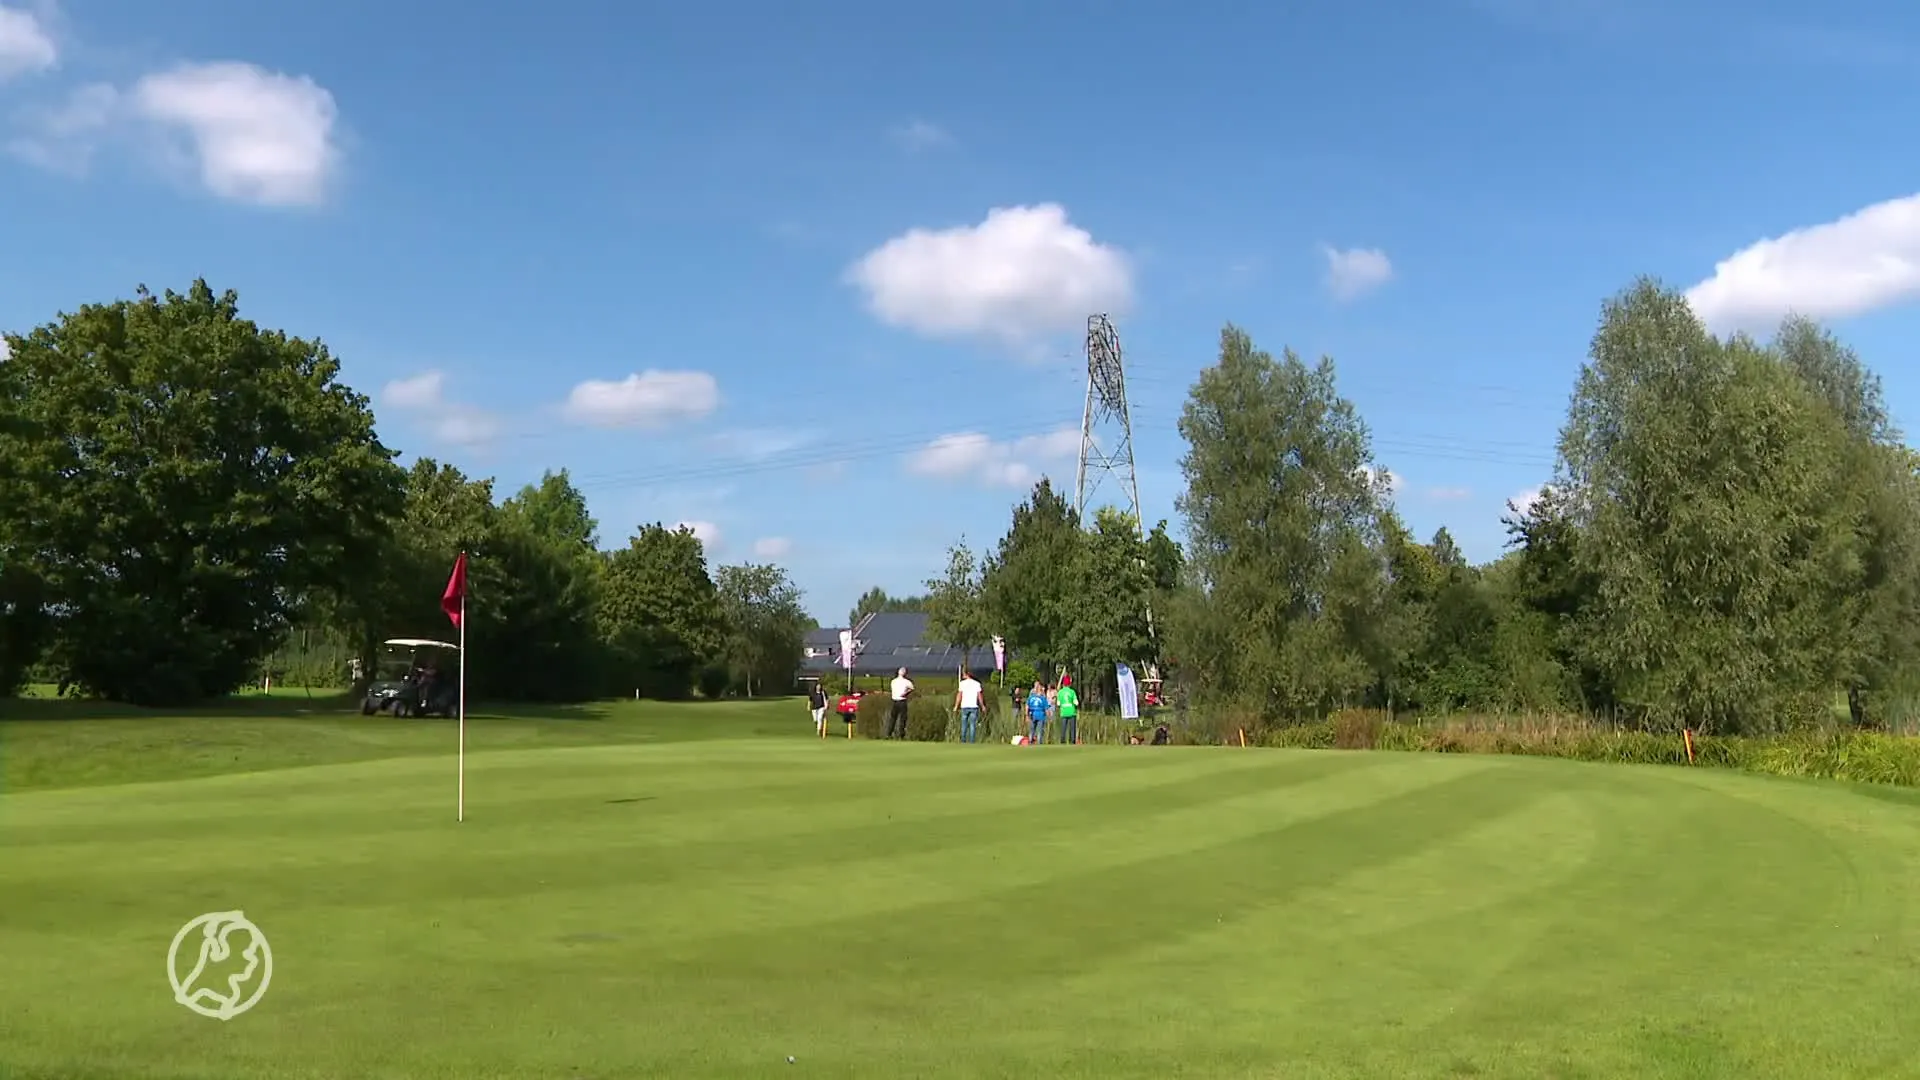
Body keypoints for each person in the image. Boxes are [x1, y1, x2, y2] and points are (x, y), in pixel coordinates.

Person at [953, 669, 984, 744]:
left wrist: (956, 706)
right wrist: (982, 705)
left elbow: (959, 695)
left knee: (964, 725)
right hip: (973, 706)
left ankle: (963, 741)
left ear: (966, 674)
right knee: (972, 725)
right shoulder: (977, 684)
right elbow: (979, 696)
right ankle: (972, 741)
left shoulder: (962, 683)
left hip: (965, 706)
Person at [886, 666, 915, 739]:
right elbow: (912, 688)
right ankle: (901, 735)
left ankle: (889, 733)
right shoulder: (907, 682)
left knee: (893, 718)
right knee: (902, 719)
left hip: (894, 701)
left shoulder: (893, 681)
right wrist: (906, 693)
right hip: (902, 701)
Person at [1056, 675, 1079, 745]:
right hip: (1072, 711)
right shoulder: (1072, 692)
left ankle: (1062, 740)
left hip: (1063, 712)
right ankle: (1072, 741)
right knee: (1072, 728)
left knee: (1063, 727)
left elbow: (1058, 703)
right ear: (1069, 683)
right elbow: (1076, 702)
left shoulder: (1060, 692)